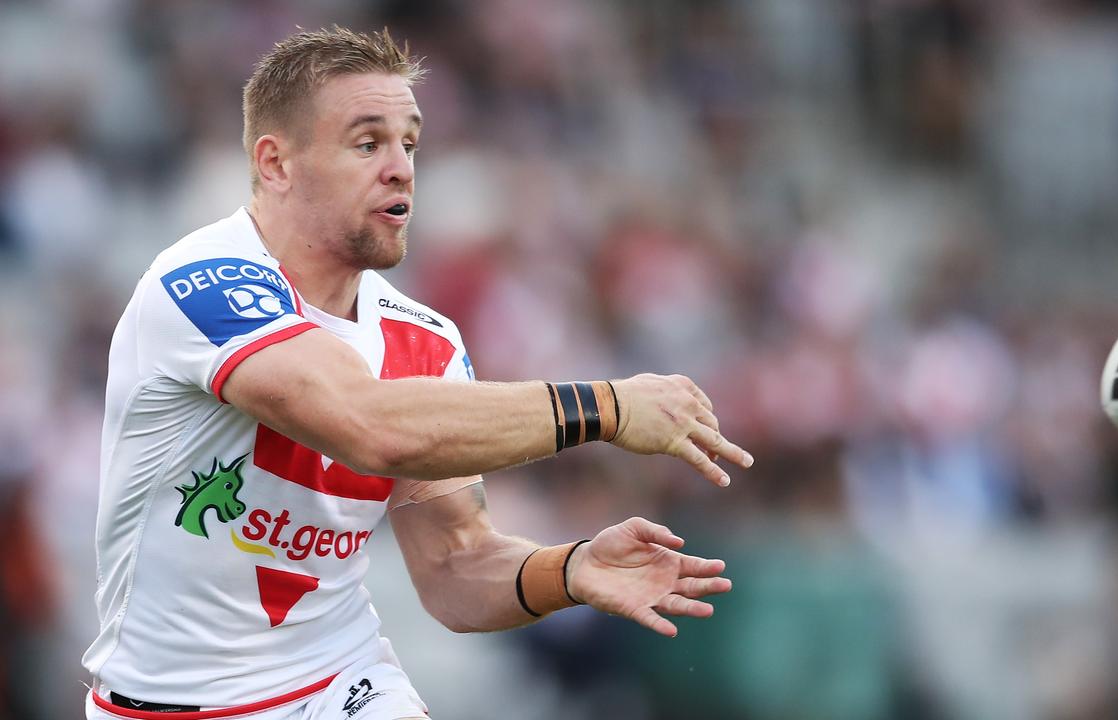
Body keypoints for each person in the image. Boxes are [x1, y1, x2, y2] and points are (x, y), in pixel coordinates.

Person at [83, 26, 751, 720]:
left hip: (339, 687)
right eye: (368, 142)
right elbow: (367, 425)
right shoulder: (199, 285)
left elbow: (456, 570)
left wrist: (571, 569)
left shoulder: (426, 339)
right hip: (160, 705)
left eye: (411, 142)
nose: (401, 166)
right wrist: (604, 407)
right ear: (276, 164)